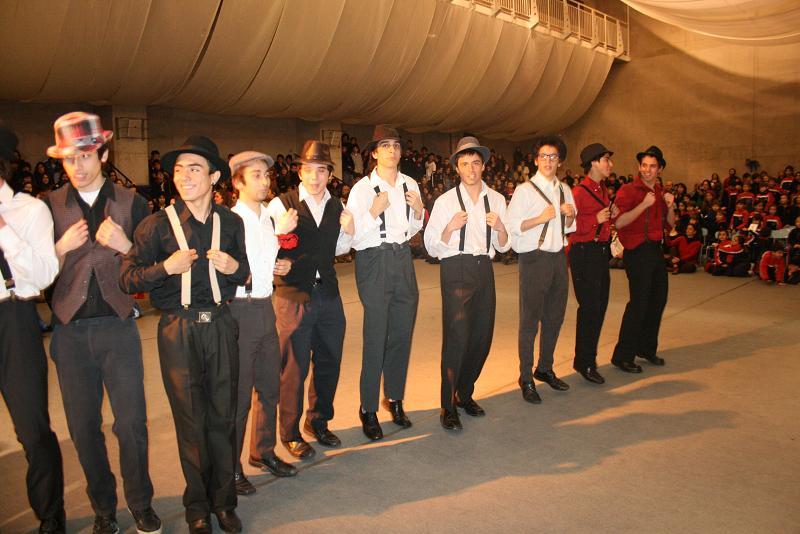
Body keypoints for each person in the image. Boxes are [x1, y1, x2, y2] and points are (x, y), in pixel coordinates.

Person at [120, 136, 249, 534]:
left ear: (214, 177)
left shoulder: (231, 222)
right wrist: (165, 269)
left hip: (221, 324)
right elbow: (127, 278)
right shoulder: (155, 225)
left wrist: (234, 269)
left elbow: (245, 272)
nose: (184, 176)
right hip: (178, 328)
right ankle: (197, 508)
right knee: (191, 422)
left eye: (194, 169)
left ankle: (224, 503)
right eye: (178, 170)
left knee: (223, 417)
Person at [44, 113, 160, 534]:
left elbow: (151, 268)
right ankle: (103, 509)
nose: (77, 166)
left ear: (104, 155)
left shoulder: (133, 203)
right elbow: (33, 274)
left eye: (86, 156)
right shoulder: (48, 205)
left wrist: (127, 246)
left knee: (131, 423)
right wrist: (58, 250)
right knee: (82, 428)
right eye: (69, 158)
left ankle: (141, 503)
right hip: (69, 332)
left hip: (118, 328)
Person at [265, 141, 354, 458]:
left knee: (329, 361)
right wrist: (277, 236)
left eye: (321, 170)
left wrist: (350, 231)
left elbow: (339, 249)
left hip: (328, 292)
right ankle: (290, 433)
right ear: (299, 172)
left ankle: (318, 421)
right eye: (309, 170)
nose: (315, 177)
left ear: (329, 174)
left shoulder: (337, 206)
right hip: (293, 295)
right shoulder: (281, 205)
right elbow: (260, 249)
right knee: (294, 367)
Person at [0, 124, 65, 534]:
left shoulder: (30, 210)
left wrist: (4, 231)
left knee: (33, 430)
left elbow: (43, 276)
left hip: (13, 318)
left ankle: (50, 516)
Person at [423, 136, 510, 431]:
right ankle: (448, 405)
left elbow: (504, 244)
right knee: (457, 338)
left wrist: (501, 228)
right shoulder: (445, 202)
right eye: (464, 163)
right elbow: (431, 245)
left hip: (484, 268)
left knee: (482, 337)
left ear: (483, 166)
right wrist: (449, 228)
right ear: (456, 168)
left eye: (475, 163)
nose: (471, 169)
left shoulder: (496, 199)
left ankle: (465, 393)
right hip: (456, 269)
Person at [345, 125, 424, 440]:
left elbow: (411, 229)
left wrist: (418, 212)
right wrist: (372, 213)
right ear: (374, 153)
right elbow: (352, 238)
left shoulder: (409, 184)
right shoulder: (362, 189)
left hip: (402, 258)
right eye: (386, 146)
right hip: (374, 260)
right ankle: (367, 408)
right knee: (376, 336)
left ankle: (394, 398)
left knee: (402, 334)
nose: (392, 150)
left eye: (396, 146)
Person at [227, 151, 298, 494]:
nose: (265, 180)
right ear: (237, 182)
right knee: (239, 397)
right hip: (240, 312)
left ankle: (263, 451)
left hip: (265, 307)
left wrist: (280, 266)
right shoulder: (230, 222)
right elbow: (237, 269)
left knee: (270, 387)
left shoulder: (268, 217)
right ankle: (230, 468)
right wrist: (273, 245)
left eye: (266, 175)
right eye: (256, 175)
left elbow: (265, 263)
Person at [506, 136, 576, 403]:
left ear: (559, 162)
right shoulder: (525, 191)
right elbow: (513, 226)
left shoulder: (565, 189)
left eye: (553, 157)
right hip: (534, 259)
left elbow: (570, 227)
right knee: (529, 321)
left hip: (558, 258)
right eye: (544, 156)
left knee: (555, 317)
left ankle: (545, 367)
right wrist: (539, 219)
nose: (548, 161)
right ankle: (525, 377)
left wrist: (570, 216)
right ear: (535, 160)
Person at [611, 146, 675, 373]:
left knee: (658, 300)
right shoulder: (628, 190)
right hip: (637, 252)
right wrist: (644, 205)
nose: (647, 170)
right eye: (644, 165)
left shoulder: (660, 191)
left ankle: (646, 348)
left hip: (655, 250)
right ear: (639, 167)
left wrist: (670, 206)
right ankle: (622, 355)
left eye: (652, 166)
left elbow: (671, 224)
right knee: (638, 303)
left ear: (660, 169)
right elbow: (619, 222)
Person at [568, 143, 618, 385]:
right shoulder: (578, 192)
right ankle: (585, 361)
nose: (610, 164)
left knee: (599, 306)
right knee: (589, 308)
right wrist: (594, 219)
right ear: (594, 163)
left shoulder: (603, 189)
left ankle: (587, 359)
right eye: (606, 159)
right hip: (584, 253)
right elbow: (568, 226)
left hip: (600, 253)